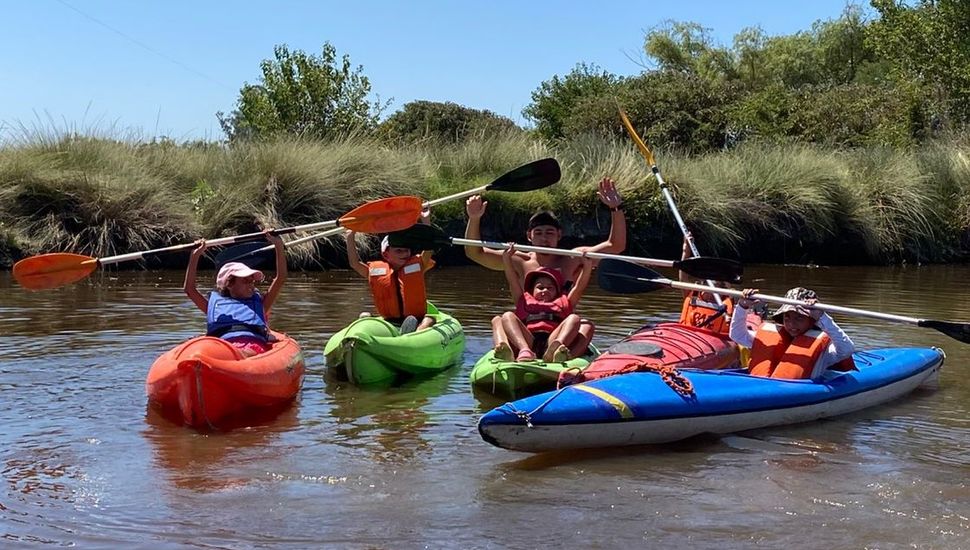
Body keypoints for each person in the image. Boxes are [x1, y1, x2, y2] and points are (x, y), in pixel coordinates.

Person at [465, 176, 626, 354]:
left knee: (586, 324)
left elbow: (615, 246)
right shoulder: (519, 259)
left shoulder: (572, 258)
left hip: (559, 327)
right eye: (538, 233)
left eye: (549, 233)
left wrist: (615, 208)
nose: (544, 239)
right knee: (501, 318)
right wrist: (474, 218)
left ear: (559, 235)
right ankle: (517, 350)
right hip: (527, 330)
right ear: (529, 236)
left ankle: (563, 356)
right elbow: (475, 253)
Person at [183, 231, 287, 357]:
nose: (251, 284)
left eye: (252, 281)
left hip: (251, 348)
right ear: (229, 284)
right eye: (245, 281)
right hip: (222, 347)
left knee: (242, 354)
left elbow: (280, 278)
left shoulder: (262, 304)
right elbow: (189, 289)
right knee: (207, 351)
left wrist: (278, 245)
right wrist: (195, 256)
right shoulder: (215, 307)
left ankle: (232, 358)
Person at [492, 244, 593, 362]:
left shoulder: (565, 302)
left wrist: (587, 266)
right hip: (528, 341)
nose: (545, 290)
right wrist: (506, 259)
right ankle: (511, 350)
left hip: (553, 340)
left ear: (557, 291)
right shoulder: (523, 299)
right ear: (532, 290)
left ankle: (559, 352)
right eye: (540, 287)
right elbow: (512, 279)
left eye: (550, 288)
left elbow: (579, 287)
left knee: (575, 318)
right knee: (505, 317)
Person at [731, 287, 856, 380]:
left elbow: (847, 349)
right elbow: (737, 335)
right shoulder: (772, 336)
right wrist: (742, 306)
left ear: (812, 321)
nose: (792, 324)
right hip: (760, 386)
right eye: (787, 317)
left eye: (799, 318)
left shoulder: (825, 350)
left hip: (797, 392)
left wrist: (822, 317)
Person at [345, 210, 436, 334]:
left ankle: (411, 335)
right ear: (386, 254)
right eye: (399, 251)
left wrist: (426, 221)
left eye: (407, 250)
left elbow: (428, 249)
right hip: (388, 321)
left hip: (416, 319)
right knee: (364, 315)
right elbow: (354, 263)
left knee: (430, 319)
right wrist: (350, 236)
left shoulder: (418, 265)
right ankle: (368, 336)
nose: (405, 254)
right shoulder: (375, 271)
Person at [677, 237, 734, 334]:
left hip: (714, 341)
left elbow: (732, 291)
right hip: (686, 337)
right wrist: (686, 251)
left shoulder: (729, 298)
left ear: (722, 286)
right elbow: (683, 276)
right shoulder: (692, 293)